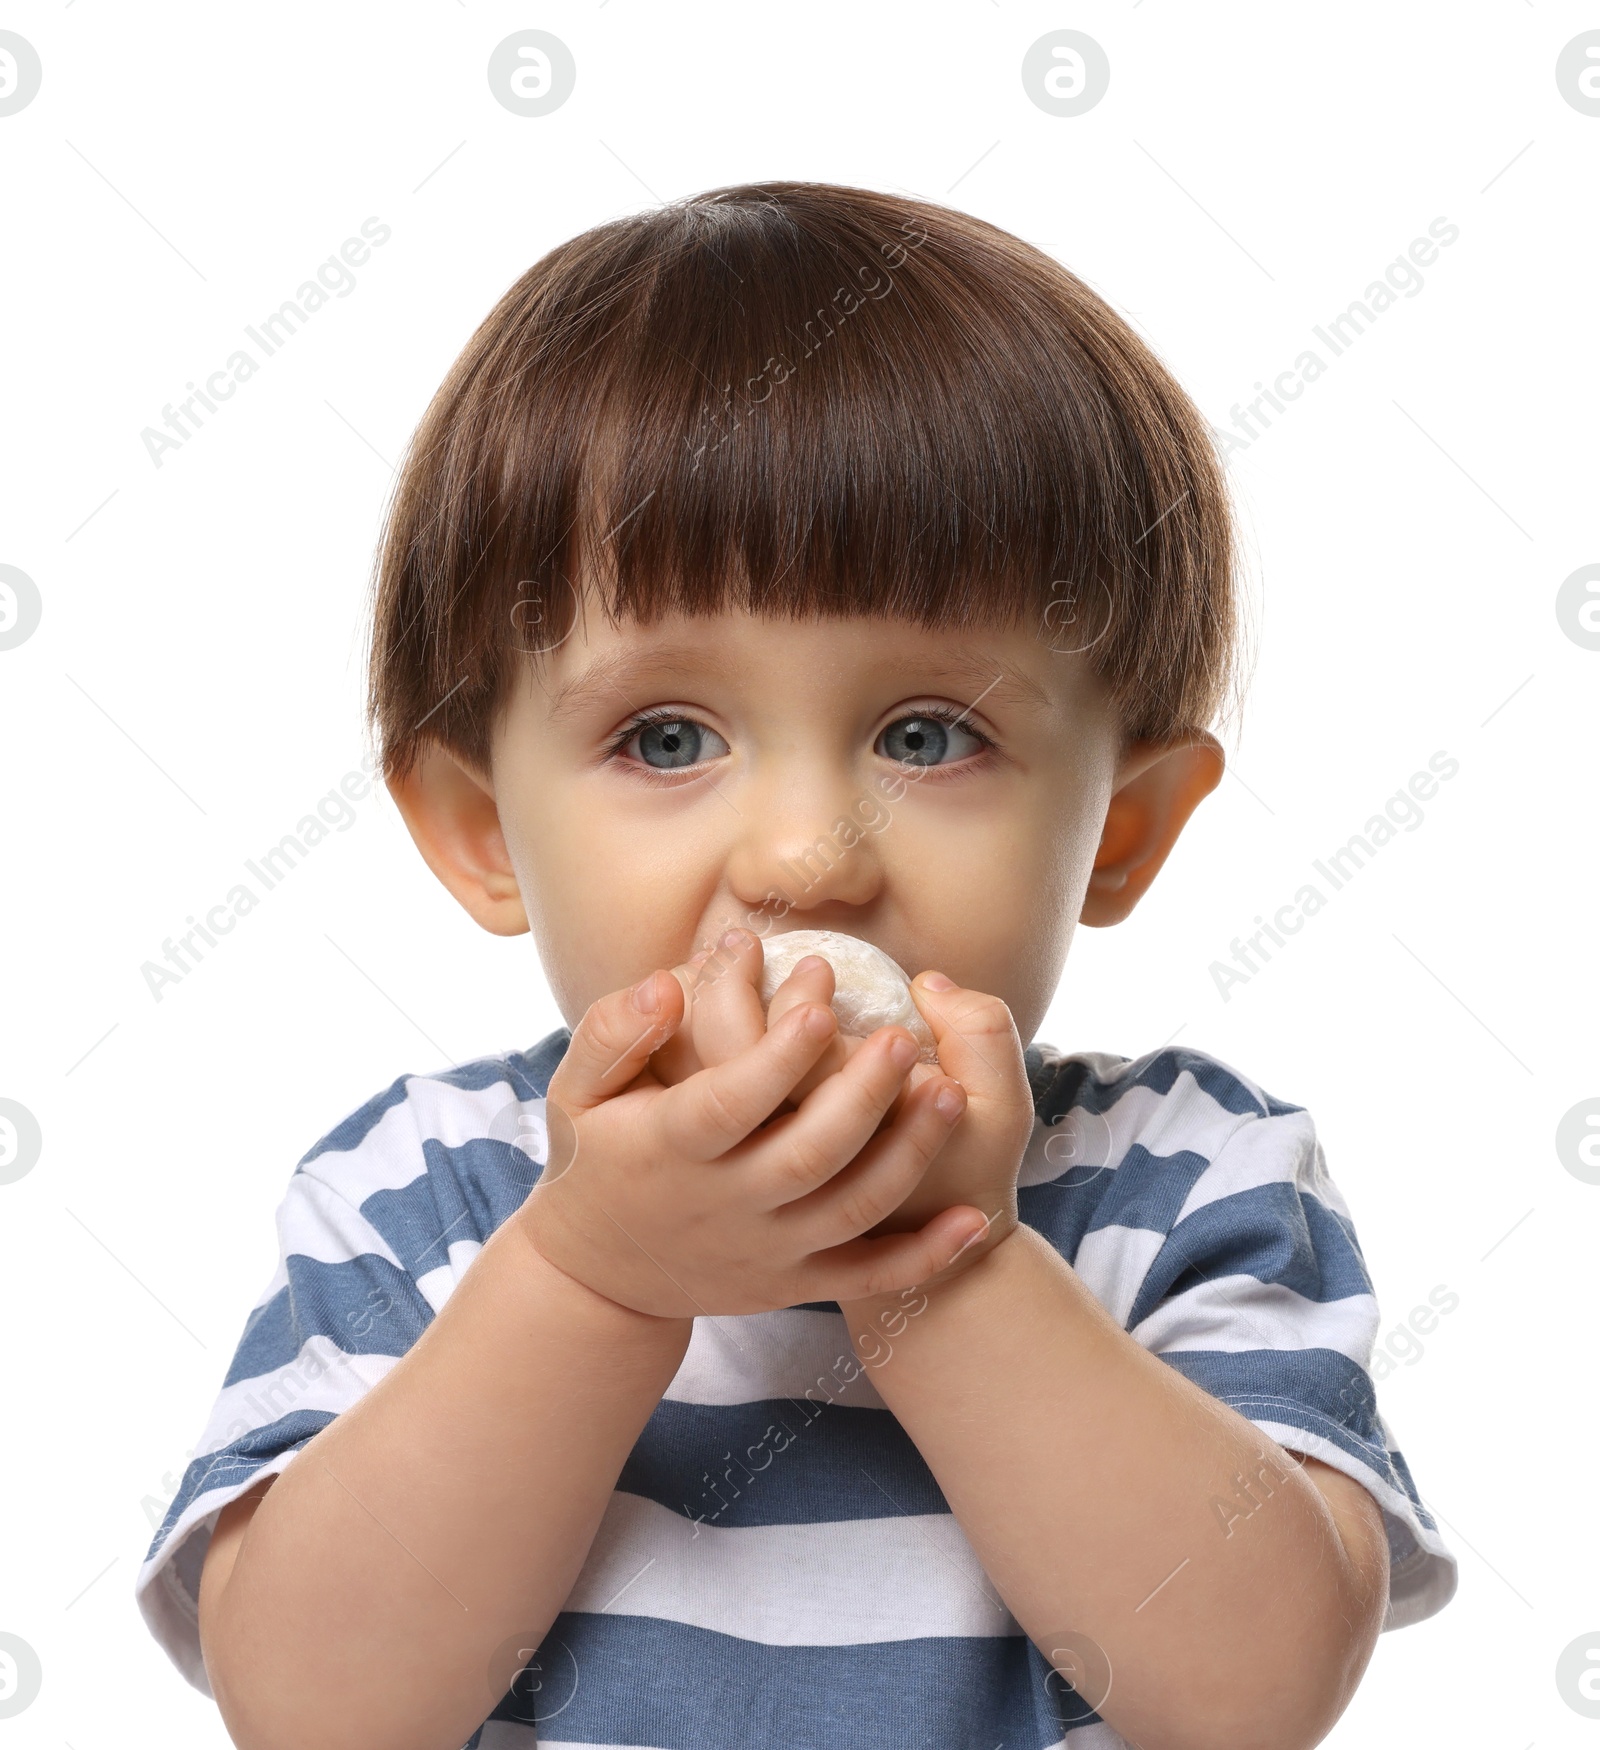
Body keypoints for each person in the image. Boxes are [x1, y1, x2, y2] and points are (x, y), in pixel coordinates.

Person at [135, 180, 1455, 1750]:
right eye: (668, 737)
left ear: (1124, 829)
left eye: (926, 734)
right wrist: (587, 1277)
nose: (809, 857)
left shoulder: (1187, 1180)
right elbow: (312, 1707)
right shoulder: (422, 1199)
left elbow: (1251, 1691)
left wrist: (943, 1265)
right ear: (483, 829)